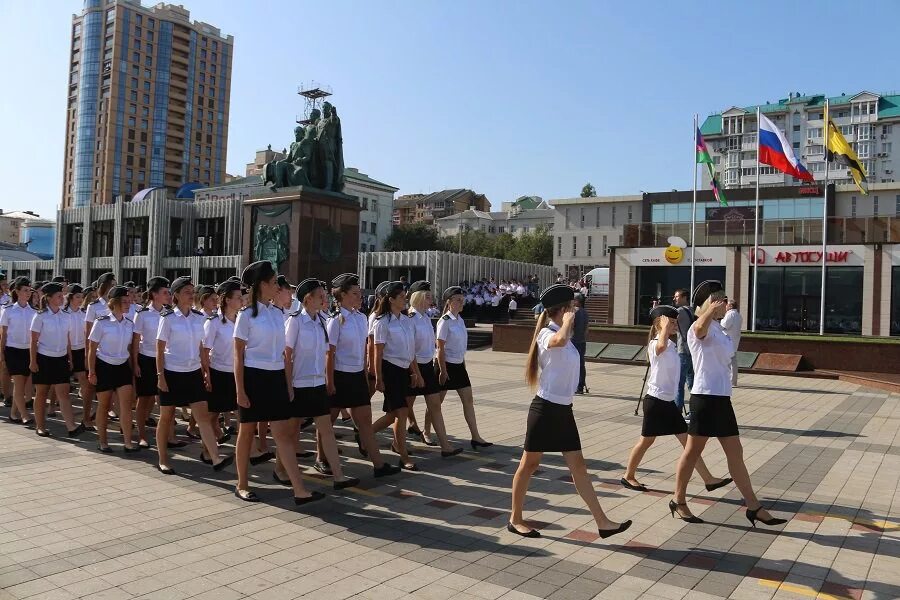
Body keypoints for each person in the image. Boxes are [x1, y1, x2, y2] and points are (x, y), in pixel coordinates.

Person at [509, 284, 633, 539]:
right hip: (545, 409)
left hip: (564, 410)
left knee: (579, 467)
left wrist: (567, 322)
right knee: (529, 465)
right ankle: (515, 519)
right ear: (563, 310)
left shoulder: (565, 336)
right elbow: (559, 340)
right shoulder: (546, 333)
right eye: (572, 308)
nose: (575, 313)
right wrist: (566, 322)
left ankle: (603, 522)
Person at [670, 281, 788, 528]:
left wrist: (714, 314)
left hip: (722, 399)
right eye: (722, 300)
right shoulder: (698, 327)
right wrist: (709, 311)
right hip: (704, 397)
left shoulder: (719, 329)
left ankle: (754, 507)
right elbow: (699, 329)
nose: (727, 304)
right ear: (712, 302)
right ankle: (678, 500)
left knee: (736, 454)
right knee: (692, 452)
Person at [233, 261, 322, 505]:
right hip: (253, 377)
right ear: (262, 285)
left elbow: (283, 353)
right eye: (273, 283)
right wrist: (240, 389)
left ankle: (299, 489)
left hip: (274, 378)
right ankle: (242, 484)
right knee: (247, 432)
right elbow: (238, 355)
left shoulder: (276, 313)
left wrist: (287, 384)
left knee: (282, 434)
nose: (277, 287)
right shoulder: (246, 315)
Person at [621, 305, 731, 493]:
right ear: (659, 324)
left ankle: (708, 478)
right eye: (670, 323)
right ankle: (628, 476)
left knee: (687, 443)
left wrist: (666, 328)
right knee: (646, 441)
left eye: (674, 323)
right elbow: (660, 346)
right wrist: (663, 328)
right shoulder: (656, 344)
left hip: (667, 403)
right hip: (655, 402)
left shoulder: (671, 345)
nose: (674, 326)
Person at [285, 278, 360, 489]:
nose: (324, 299)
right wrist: (289, 387)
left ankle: (338, 476)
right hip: (299, 384)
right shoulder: (295, 321)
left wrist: (327, 380)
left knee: (326, 430)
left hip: (317, 383)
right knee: (291, 433)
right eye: (320, 296)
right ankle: (280, 469)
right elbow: (287, 355)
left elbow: (325, 353)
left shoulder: (321, 320)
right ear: (307, 299)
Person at [324, 273, 400, 477]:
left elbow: (366, 346)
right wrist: (329, 381)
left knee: (365, 419)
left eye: (359, 293)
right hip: (339, 376)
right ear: (343, 296)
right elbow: (329, 354)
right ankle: (321, 458)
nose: (360, 297)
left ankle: (378, 464)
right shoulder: (335, 321)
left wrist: (368, 371)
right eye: (355, 293)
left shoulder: (360, 318)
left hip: (357, 375)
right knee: (328, 421)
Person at [155, 276, 232, 474]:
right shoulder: (168, 318)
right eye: (187, 292)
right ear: (176, 295)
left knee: (203, 417)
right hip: (172, 373)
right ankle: (163, 459)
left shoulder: (199, 318)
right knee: (166, 417)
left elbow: (200, 347)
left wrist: (205, 372)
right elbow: (159, 349)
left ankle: (215, 458)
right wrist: (160, 376)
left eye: (192, 292)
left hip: (193, 373)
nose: (191, 295)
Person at [404, 280, 462, 457]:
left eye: (431, 296)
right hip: (414, 367)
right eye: (427, 296)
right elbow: (410, 349)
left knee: (435, 405)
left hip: (427, 366)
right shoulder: (411, 319)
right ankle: (397, 443)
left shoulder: (426, 317)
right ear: (418, 297)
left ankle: (445, 446)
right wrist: (415, 372)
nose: (431, 299)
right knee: (404, 408)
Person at [371, 281, 423, 471]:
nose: (405, 299)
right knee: (401, 413)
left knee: (394, 414)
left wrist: (415, 372)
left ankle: (366, 433)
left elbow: (410, 350)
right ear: (391, 299)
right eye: (401, 296)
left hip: (404, 370)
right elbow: (377, 352)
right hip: (390, 370)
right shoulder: (382, 322)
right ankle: (403, 455)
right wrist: (378, 378)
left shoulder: (406, 320)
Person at [436, 286, 491, 451]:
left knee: (468, 401)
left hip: (459, 365)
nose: (461, 303)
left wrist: (464, 364)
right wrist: (443, 371)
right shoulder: (444, 321)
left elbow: (460, 347)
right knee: (436, 403)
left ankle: (476, 437)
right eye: (458, 300)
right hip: (445, 366)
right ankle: (426, 430)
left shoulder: (459, 320)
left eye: (462, 300)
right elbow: (440, 348)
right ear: (449, 302)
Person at [86, 285, 137, 452]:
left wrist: (133, 367)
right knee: (104, 405)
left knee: (126, 405)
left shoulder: (129, 323)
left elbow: (130, 349)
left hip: (122, 366)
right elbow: (92, 349)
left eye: (129, 301)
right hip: (104, 366)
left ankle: (128, 442)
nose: (128, 304)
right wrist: (91, 371)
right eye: (124, 301)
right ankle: (103, 441)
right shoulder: (102, 322)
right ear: (114, 302)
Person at [29, 282, 82, 437]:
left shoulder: (66, 316)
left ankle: (71, 427)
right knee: (41, 394)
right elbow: (33, 340)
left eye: (62, 295)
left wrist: (70, 358)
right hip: (44, 358)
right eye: (59, 296)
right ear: (50, 298)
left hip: (60, 359)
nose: (62, 298)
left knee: (64, 393)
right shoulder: (40, 316)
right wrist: (33, 361)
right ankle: (40, 426)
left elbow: (67, 339)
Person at [132, 277, 171, 449]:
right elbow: (135, 341)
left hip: (163, 360)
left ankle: (167, 436)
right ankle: (141, 435)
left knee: (158, 400)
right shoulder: (142, 314)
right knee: (144, 398)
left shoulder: (169, 313)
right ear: (154, 294)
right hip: (146, 359)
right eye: (164, 292)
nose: (168, 295)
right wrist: (135, 363)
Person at [0, 277, 36, 425]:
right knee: (19, 383)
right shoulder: (8, 310)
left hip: (27, 351)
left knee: (22, 384)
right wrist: (1, 354)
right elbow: (3, 335)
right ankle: (24, 415)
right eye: (25, 290)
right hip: (13, 350)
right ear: (17, 291)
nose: (28, 293)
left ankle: (14, 414)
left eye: (29, 290)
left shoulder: (33, 311)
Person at [63, 284, 93, 431]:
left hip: (81, 351)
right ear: (70, 298)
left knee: (85, 385)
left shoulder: (84, 313)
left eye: (82, 297)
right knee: (59, 385)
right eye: (77, 297)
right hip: (64, 351)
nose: (80, 299)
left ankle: (86, 418)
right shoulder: (63, 313)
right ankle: (51, 408)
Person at [673, 288, 694, 417]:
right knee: (692, 383)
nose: (674, 299)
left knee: (678, 383)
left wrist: (657, 309)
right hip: (692, 351)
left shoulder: (679, 311)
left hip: (683, 351)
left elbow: (666, 323)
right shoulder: (692, 310)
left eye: (677, 296)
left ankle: (677, 412)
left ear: (684, 297)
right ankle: (693, 411)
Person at [721, 300, 742, 386]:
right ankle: (733, 381)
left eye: (727, 305)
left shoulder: (730, 314)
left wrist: (721, 320)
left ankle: (730, 381)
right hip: (734, 340)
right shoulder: (738, 315)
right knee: (733, 361)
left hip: (728, 340)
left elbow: (724, 325)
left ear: (730, 306)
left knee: (729, 362)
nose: (725, 307)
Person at [572, 294, 589, 394]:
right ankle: (580, 386)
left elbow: (570, 326)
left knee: (572, 364)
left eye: (573, 300)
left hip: (573, 341)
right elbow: (587, 329)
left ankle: (575, 386)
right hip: (582, 341)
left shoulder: (574, 311)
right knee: (581, 365)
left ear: (577, 301)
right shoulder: (585, 312)